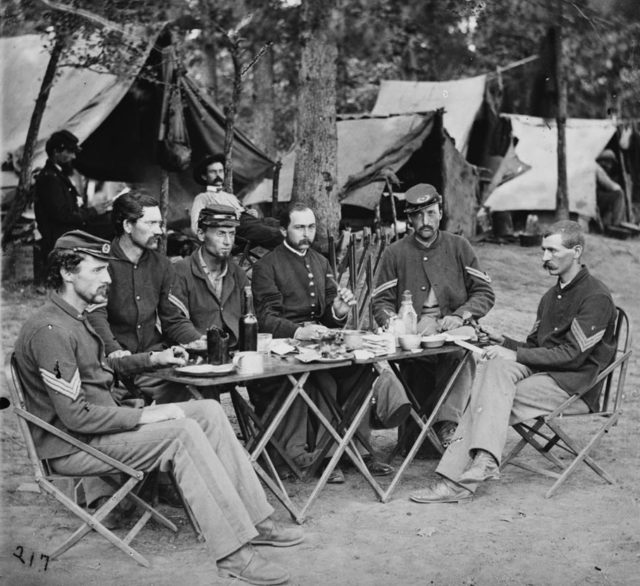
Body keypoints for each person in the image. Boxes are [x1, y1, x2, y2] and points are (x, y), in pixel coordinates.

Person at [14, 230, 302, 585]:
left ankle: (257, 521)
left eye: (108, 269)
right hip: (75, 444)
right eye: (98, 270)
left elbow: (103, 374)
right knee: (180, 433)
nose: (108, 279)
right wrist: (146, 414)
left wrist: (151, 363)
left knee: (209, 412)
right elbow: (75, 415)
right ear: (67, 273)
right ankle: (233, 554)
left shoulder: (76, 318)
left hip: (102, 430)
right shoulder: (50, 330)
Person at [410, 220, 617, 503]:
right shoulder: (551, 296)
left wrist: (515, 354)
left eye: (553, 251)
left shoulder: (596, 296)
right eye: (543, 250)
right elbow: (536, 347)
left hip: (574, 385)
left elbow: (572, 355)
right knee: (493, 370)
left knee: (486, 396)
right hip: (544, 375)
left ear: (577, 251)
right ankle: (481, 462)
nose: (545, 258)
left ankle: (458, 477)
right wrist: (503, 341)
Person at [251, 203, 390, 482]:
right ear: (283, 230)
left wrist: (338, 309)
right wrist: (300, 331)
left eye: (311, 227)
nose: (306, 234)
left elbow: (328, 315)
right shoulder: (267, 266)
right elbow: (266, 319)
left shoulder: (319, 261)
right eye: (299, 227)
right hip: (284, 348)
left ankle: (357, 448)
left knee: (360, 371)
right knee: (323, 378)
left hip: (319, 345)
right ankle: (327, 456)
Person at [372, 183, 495, 449]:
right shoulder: (395, 252)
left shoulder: (459, 246)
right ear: (410, 218)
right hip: (413, 338)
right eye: (418, 215)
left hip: (451, 332)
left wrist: (461, 315)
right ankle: (415, 433)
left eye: (430, 213)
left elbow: (484, 292)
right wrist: (396, 324)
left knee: (461, 355)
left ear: (441, 212)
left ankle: (447, 425)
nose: (425, 221)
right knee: (413, 370)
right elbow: (380, 302)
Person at [87, 189, 202, 404]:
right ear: (127, 226)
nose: (159, 230)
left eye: (159, 223)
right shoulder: (100, 263)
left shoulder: (162, 265)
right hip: (113, 365)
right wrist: (115, 351)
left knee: (200, 385)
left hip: (154, 360)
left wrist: (198, 341)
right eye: (150, 224)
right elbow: (95, 315)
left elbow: (173, 319)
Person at [171, 205, 247, 344]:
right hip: (195, 354)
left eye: (232, 234)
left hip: (234, 353)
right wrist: (202, 342)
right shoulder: (180, 272)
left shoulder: (238, 274)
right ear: (201, 234)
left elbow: (249, 317)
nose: (228, 242)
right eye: (221, 233)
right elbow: (175, 321)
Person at [33, 131, 95, 277]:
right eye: (70, 152)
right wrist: (93, 212)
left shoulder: (57, 175)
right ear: (56, 152)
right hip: (60, 236)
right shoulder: (50, 179)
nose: (73, 157)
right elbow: (62, 215)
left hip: (68, 231)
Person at [190, 153, 283, 250]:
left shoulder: (230, 196)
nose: (218, 175)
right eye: (213, 172)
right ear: (204, 176)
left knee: (284, 225)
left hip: (253, 223)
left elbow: (244, 213)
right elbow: (195, 227)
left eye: (221, 171)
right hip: (236, 229)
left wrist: (251, 213)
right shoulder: (203, 197)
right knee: (277, 234)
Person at [595, 149, 626, 229]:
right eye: (608, 162)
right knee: (619, 194)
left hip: (595, 199)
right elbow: (611, 186)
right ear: (603, 161)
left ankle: (607, 224)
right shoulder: (598, 168)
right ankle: (616, 224)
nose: (610, 166)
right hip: (595, 198)